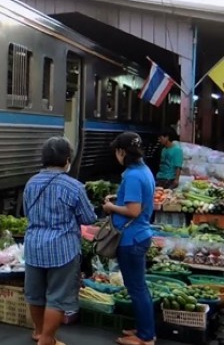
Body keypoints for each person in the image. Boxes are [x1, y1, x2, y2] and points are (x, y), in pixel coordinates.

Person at [23, 137, 96, 345]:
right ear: (67, 159)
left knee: (35, 294)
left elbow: (27, 212)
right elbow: (88, 218)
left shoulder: (31, 183)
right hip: (62, 249)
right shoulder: (73, 186)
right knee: (58, 297)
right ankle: (47, 339)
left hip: (34, 246)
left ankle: (39, 332)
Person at [104, 132, 156, 345]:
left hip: (131, 239)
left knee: (136, 288)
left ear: (122, 152)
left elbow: (133, 210)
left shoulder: (133, 175)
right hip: (139, 235)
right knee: (139, 287)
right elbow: (139, 201)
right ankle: (145, 329)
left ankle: (145, 337)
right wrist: (119, 199)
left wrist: (110, 207)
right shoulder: (144, 170)